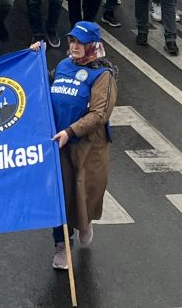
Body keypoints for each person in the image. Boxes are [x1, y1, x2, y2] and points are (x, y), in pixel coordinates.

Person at [34, 21, 118, 271]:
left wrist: (72, 131)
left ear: (93, 45)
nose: (74, 46)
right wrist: (33, 59)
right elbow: (43, 84)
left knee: (84, 193)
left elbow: (99, 114)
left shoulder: (103, 75)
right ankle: (62, 244)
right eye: (72, 41)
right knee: (60, 193)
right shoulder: (63, 66)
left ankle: (84, 220)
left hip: (88, 147)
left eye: (81, 43)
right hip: (58, 142)